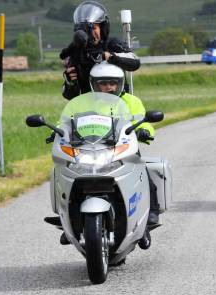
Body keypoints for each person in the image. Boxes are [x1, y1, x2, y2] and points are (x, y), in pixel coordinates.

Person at [89, 62, 162, 226]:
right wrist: (57, 131)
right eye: (103, 83)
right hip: (91, 149)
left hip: (124, 148)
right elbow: (65, 121)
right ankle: (68, 216)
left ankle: (152, 210)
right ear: (94, 84)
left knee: (143, 173)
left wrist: (145, 131)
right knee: (68, 173)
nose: (109, 87)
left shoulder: (131, 101)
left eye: (113, 83)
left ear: (120, 83)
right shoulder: (85, 102)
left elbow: (142, 121)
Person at [60, 1, 140, 100]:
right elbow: (68, 95)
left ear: (102, 28)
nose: (91, 33)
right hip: (90, 109)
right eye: (87, 30)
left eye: (94, 27)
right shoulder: (77, 53)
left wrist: (106, 56)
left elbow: (135, 62)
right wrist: (70, 83)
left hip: (118, 106)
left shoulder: (112, 44)